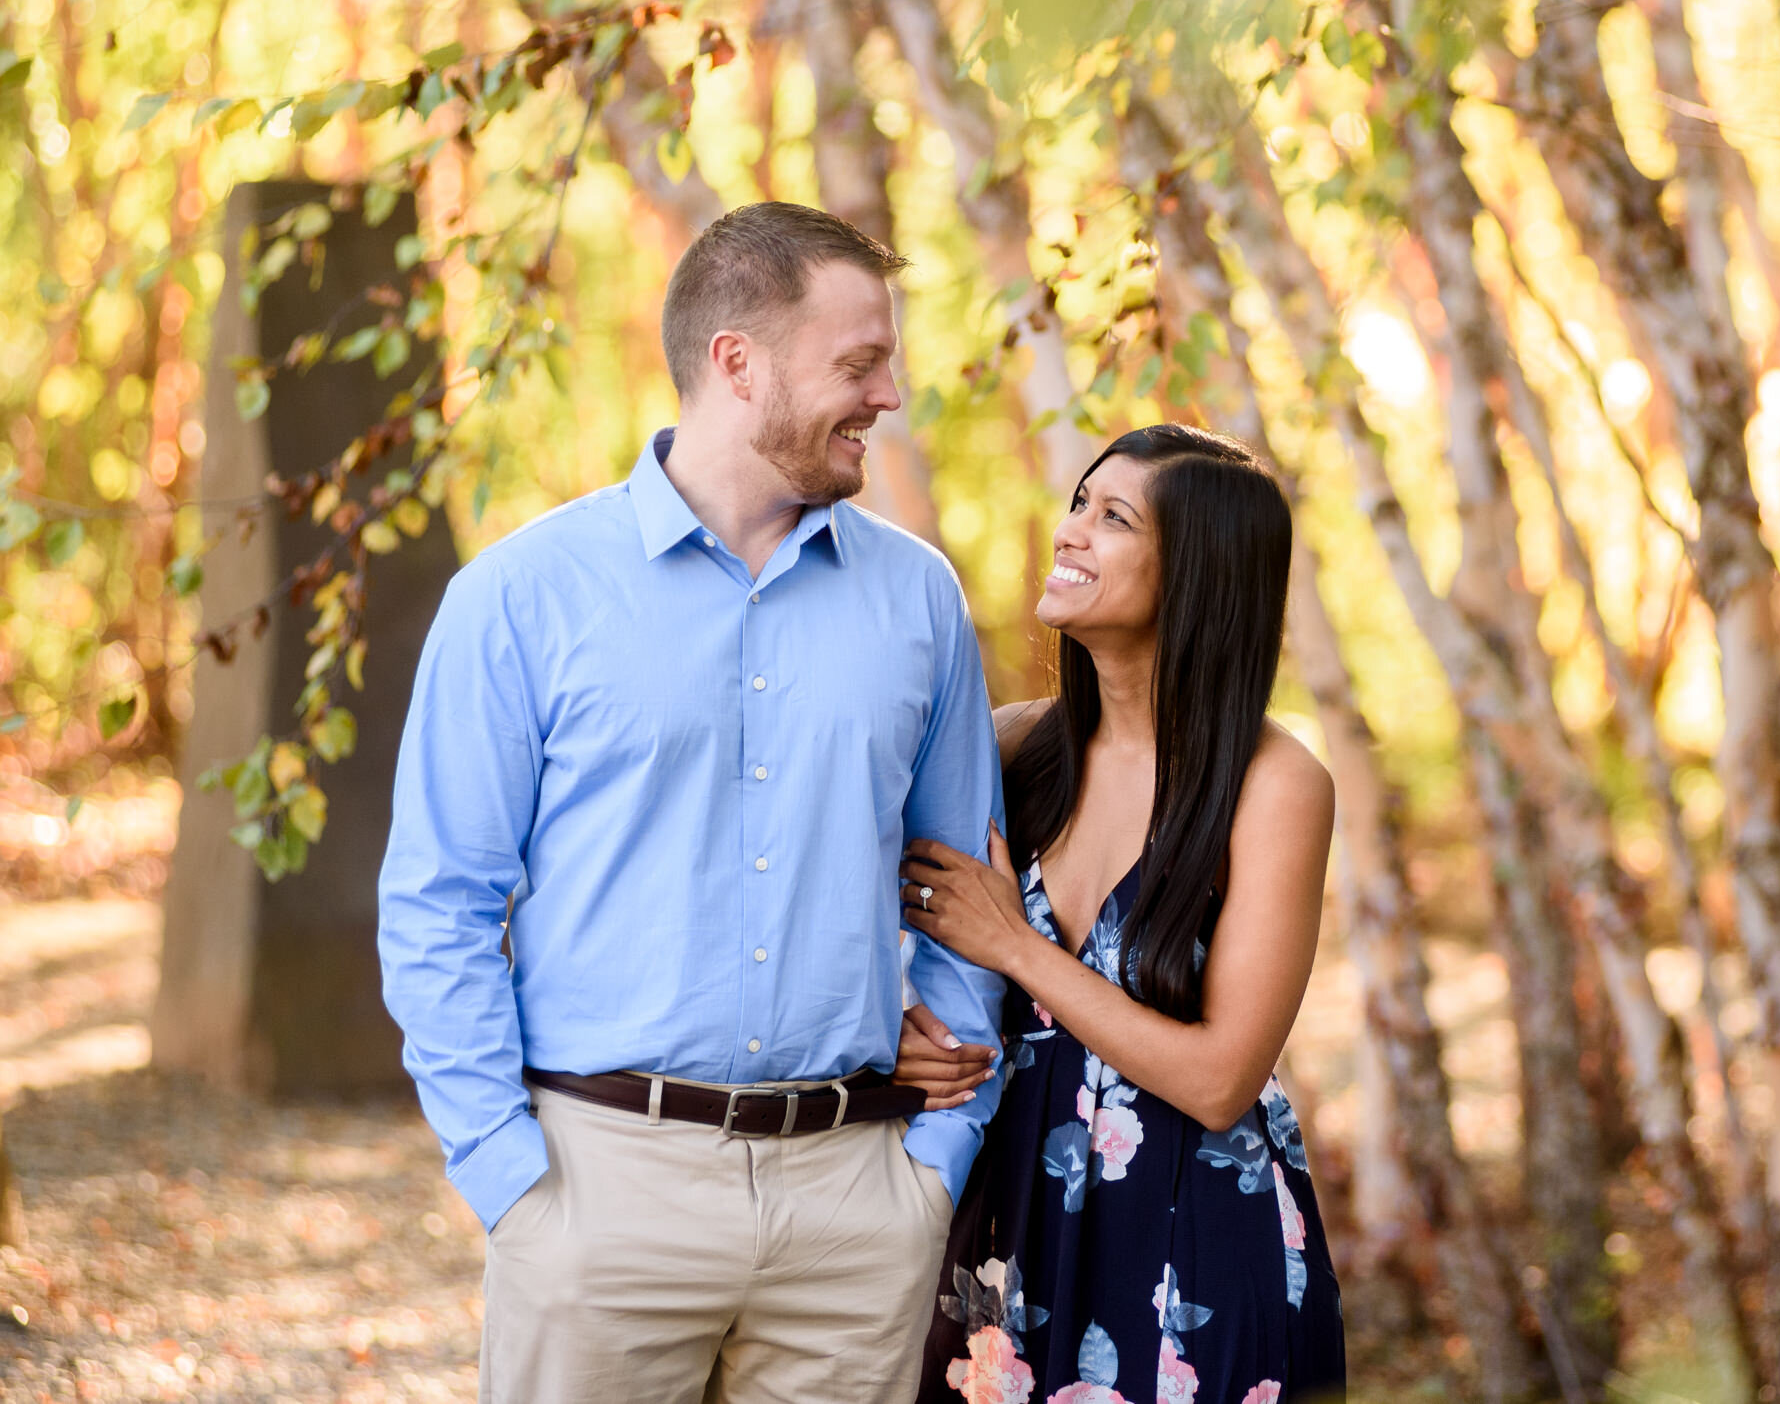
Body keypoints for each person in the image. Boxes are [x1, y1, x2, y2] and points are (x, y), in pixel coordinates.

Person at [377, 202, 1006, 1404]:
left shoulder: (919, 599)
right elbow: (438, 904)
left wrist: (929, 1169)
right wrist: (513, 1178)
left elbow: (963, 884)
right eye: (858, 363)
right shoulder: (521, 597)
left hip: (853, 1208)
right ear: (738, 364)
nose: (887, 395)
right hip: (598, 1190)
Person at [899, 424, 1347, 1404]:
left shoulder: (1274, 786)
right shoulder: (1015, 747)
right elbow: (866, 913)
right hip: (1004, 1232)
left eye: (1113, 518)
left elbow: (1223, 1077)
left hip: (1190, 1242)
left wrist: (1016, 947)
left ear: (1197, 573)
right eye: (1078, 504)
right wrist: (892, 1039)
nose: (1070, 533)